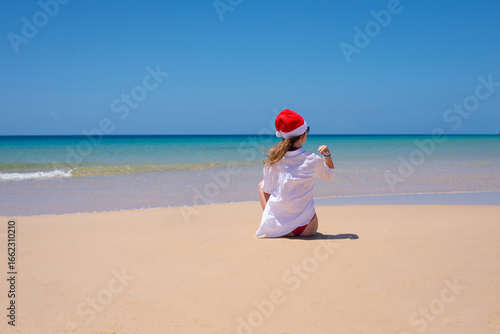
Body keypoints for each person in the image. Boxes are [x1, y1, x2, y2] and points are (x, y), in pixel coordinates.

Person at [256, 109, 335, 238]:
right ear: (303, 135)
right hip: (308, 228)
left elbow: (268, 190)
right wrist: (327, 155)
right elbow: (330, 175)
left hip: (282, 229)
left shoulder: (273, 162)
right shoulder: (312, 159)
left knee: (262, 185)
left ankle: (271, 221)